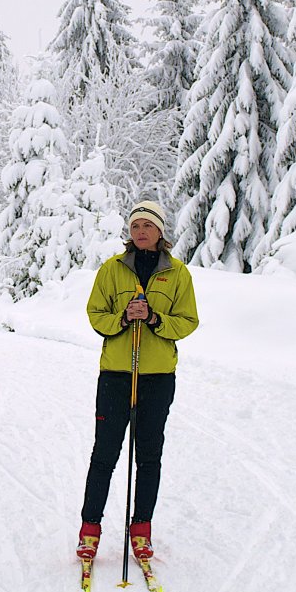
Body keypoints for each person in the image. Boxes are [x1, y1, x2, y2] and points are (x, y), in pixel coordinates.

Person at [75, 200, 200, 565]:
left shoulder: (178, 274)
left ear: (160, 231)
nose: (141, 231)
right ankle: (89, 530)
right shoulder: (112, 270)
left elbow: (188, 320)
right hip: (116, 375)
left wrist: (157, 319)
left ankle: (141, 531)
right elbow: (96, 314)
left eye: (147, 225)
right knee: (105, 455)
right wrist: (123, 319)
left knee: (148, 457)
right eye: (135, 226)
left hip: (157, 377)